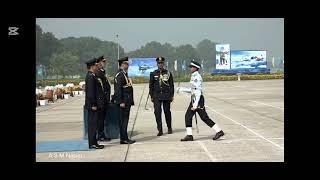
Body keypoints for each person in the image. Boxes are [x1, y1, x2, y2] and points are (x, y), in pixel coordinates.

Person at [178, 60, 225, 141]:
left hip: (198, 100)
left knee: (204, 117)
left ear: (196, 68)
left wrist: (196, 104)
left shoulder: (198, 77)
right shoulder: (193, 76)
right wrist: (182, 89)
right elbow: (193, 90)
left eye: (192, 67)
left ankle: (219, 131)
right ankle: (189, 135)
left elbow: (198, 91)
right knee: (189, 116)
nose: (190, 68)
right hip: (194, 99)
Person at [113, 57, 136, 144]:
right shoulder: (120, 75)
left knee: (125, 120)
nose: (128, 65)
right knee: (123, 120)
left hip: (127, 101)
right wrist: (121, 101)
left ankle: (124, 138)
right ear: (122, 65)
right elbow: (118, 89)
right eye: (126, 63)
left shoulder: (124, 74)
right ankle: (123, 139)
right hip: (123, 102)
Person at [149, 56, 174, 136]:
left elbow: (171, 85)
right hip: (157, 96)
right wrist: (151, 96)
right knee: (157, 113)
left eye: (161, 63)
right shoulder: (153, 73)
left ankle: (169, 127)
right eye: (159, 63)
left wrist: (171, 95)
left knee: (167, 112)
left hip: (166, 95)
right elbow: (151, 86)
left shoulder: (168, 73)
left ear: (163, 64)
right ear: (157, 64)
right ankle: (160, 130)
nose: (160, 64)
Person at [84, 58, 104, 149]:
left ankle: (94, 142)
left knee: (94, 124)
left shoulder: (93, 75)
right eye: (96, 65)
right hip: (92, 105)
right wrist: (93, 104)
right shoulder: (90, 76)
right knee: (92, 125)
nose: (97, 67)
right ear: (92, 66)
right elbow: (91, 93)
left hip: (95, 104)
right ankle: (92, 143)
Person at [95, 56, 111, 141]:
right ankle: (100, 135)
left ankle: (102, 134)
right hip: (101, 100)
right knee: (100, 119)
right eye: (103, 62)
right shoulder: (98, 73)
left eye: (105, 62)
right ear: (99, 63)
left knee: (102, 118)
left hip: (105, 99)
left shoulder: (102, 72)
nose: (104, 63)